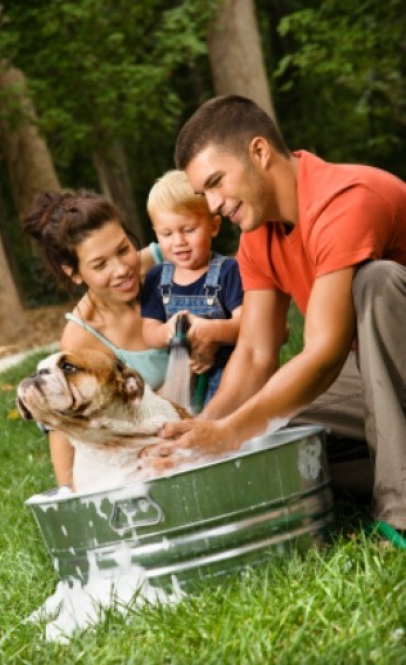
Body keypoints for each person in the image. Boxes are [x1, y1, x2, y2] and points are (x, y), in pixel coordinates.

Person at [141, 95, 406, 544]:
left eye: (216, 182)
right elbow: (256, 354)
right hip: (383, 379)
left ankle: (399, 516)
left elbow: (322, 355)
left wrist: (229, 433)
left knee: (376, 282)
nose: (214, 203)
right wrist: (202, 432)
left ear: (259, 152)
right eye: (204, 192)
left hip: (391, 357)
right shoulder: (258, 234)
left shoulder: (345, 200)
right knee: (267, 426)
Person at [23, 190, 168, 487]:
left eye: (123, 249)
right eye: (100, 265)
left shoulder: (168, 259)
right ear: (74, 273)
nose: (122, 269)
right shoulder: (82, 339)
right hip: (162, 446)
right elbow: (65, 420)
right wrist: (70, 495)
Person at [140, 169, 243, 408]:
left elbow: (247, 324)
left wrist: (213, 331)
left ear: (214, 226)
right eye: (166, 234)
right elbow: (148, 331)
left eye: (189, 230)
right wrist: (167, 331)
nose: (179, 242)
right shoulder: (157, 279)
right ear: (156, 233)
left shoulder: (228, 272)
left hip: (230, 375)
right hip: (183, 376)